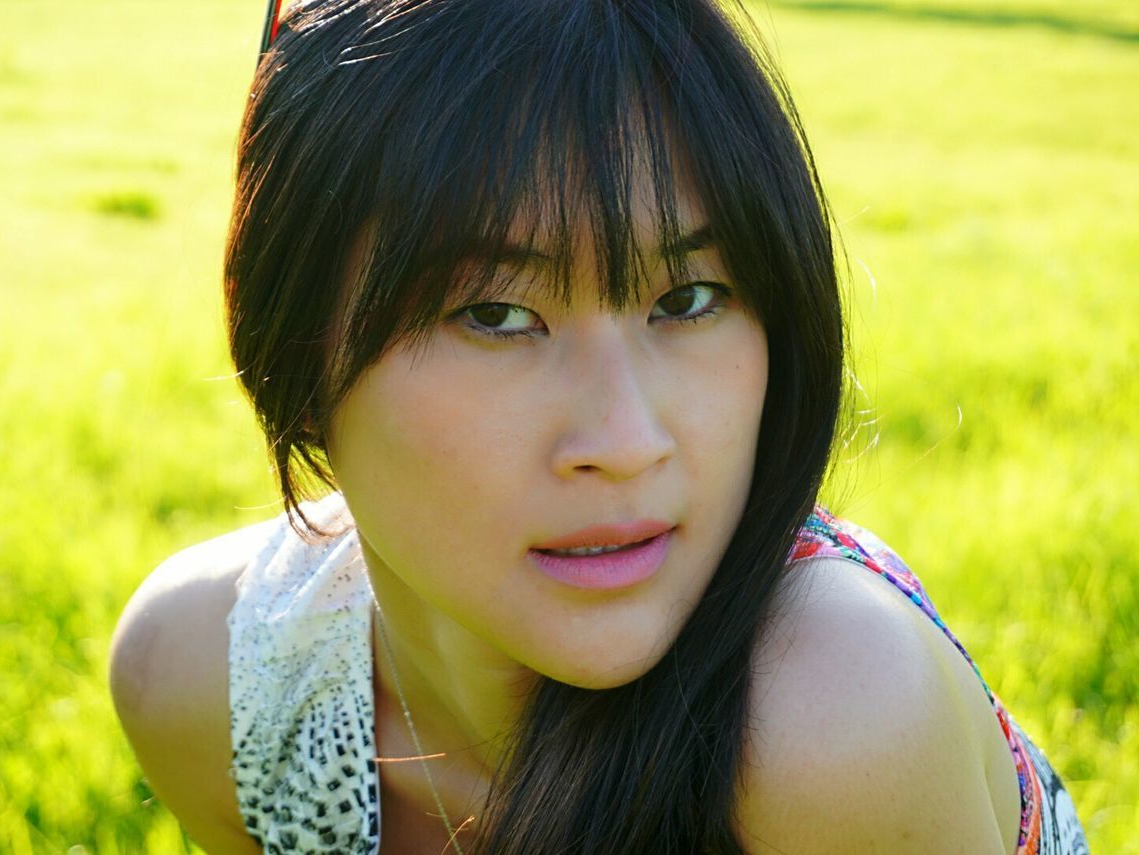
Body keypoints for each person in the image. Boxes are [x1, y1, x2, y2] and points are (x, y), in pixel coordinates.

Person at [108, 0, 1091, 852]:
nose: (625, 443)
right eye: (493, 315)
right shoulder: (216, 687)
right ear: (294, 348)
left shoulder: (830, 722)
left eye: (690, 298)